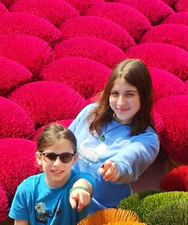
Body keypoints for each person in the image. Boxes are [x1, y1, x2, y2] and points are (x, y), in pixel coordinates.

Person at [68, 58, 159, 212]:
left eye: (129, 94)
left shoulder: (147, 138)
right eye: (115, 94)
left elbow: (133, 155)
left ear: (143, 97)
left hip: (100, 213)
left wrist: (117, 166)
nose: (121, 102)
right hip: (65, 198)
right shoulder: (90, 113)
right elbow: (65, 142)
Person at [1, 124, 94, 225]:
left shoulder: (80, 180)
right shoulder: (27, 189)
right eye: (50, 156)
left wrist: (80, 189)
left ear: (75, 158)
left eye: (65, 157)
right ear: (39, 158)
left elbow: (84, 184)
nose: (57, 164)